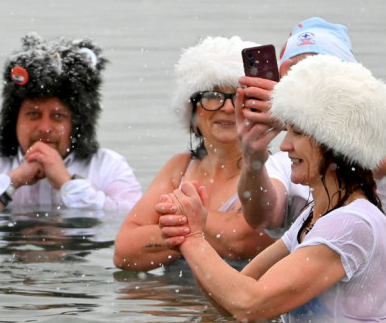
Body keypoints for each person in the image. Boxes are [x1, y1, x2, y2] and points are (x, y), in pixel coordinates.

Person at [159, 55, 386, 323]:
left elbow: (249, 304)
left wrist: (193, 239)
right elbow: (232, 306)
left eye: (297, 133)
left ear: (335, 142)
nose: (285, 146)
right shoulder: (313, 218)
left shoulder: (353, 223)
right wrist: (190, 237)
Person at [237, 17, 386, 299]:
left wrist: (308, 114)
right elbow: (262, 216)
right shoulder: (293, 152)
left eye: (314, 73)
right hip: (336, 322)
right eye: (294, 78)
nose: (303, 87)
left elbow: (384, 162)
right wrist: (253, 156)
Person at [114, 36, 272, 271]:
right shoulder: (179, 168)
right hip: (174, 304)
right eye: (212, 95)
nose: (227, 107)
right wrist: (196, 230)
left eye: (238, 96)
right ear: (192, 113)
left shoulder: (273, 170)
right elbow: (124, 252)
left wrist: (174, 226)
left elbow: (242, 241)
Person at [0, 34, 141, 213]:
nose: (44, 128)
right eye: (33, 114)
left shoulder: (109, 167)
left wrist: (67, 183)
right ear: (14, 120)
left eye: (58, 116)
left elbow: (132, 218)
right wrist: (13, 181)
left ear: (77, 123)